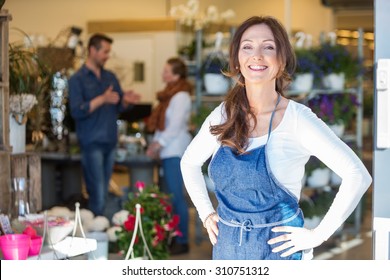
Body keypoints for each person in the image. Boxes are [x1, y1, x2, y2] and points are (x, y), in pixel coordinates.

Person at [180, 15, 372, 260]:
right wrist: (206, 212)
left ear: (282, 60)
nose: (256, 55)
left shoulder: (297, 119)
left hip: (279, 255)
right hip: (227, 251)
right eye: (247, 47)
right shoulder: (223, 114)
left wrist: (317, 235)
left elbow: (358, 175)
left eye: (268, 47)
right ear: (237, 60)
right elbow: (189, 162)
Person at [69, 33, 140, 217]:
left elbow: (119, 105)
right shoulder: (77, 79)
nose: (107, 56)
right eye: (105, 52)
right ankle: (96, 238)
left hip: (110, 141)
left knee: (104, 192)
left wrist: (126, 101)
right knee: (98, 193)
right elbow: (77, 111)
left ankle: (100, 231)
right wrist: (102, 99)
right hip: (91, 143)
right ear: (92, 50)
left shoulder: (110, 77)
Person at [146, 57, 193, 254]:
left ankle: (182, 241)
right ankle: (171, 237)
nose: (162, 74)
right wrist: (158, 145)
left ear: (176, 74)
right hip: (168, 151)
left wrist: (157, 144)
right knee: (168, 198)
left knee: (176, 197)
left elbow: (173, 126)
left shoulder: (181, 96)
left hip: (175, 151)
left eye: (166, 71)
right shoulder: (169, 96)